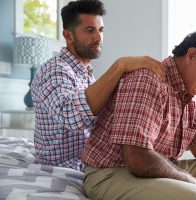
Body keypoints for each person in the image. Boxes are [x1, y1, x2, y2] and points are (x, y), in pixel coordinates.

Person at [82, 30, 196, 200]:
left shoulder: (186, 96)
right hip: (111, 174)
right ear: (191, 56)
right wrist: (187, 179)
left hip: (151, 169)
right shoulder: (148, 79)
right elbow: (136, 157)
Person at [31, 0, 164, 172]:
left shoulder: (87, 74)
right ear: (68, 36)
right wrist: (120, 66)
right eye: (89, 30)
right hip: (65, 168)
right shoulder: (55, 70)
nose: (98, 37)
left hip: (90, 162)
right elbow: (72, 117)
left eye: (101, 30)